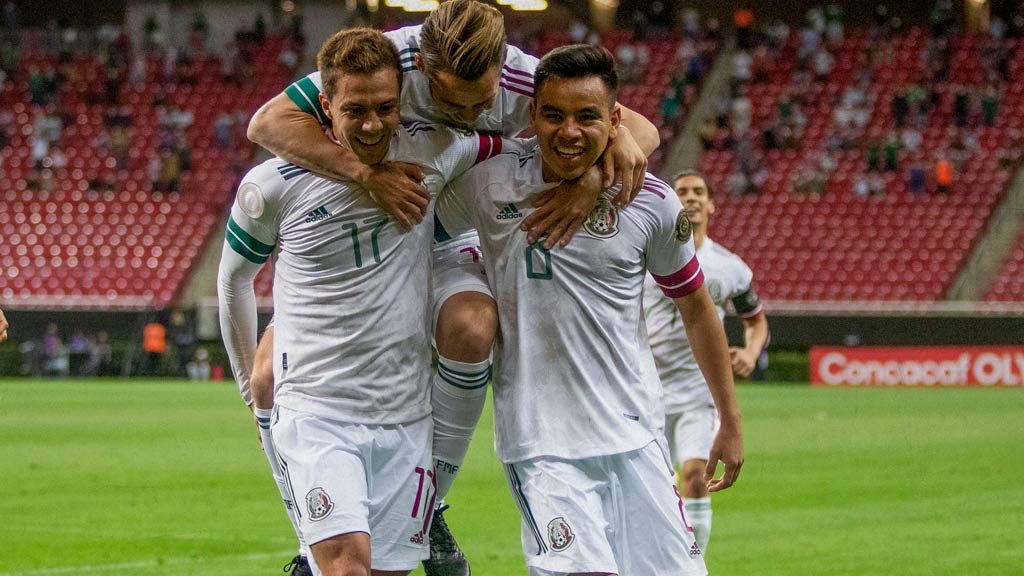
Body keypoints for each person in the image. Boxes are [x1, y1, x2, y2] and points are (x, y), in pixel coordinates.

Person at [244, 2, 662, 573]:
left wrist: (591, 178)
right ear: (422, 67)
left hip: (446, 230)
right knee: (269, 376)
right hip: (374, 233)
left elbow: (635, 127)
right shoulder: (389, 60)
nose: (467, 118)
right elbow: (267, 124)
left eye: (480, 105)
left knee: (472, 327)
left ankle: (430, 503)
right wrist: (367, 173)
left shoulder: (520, 75)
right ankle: (307, 540)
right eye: (450, 104)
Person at [218, 27, 520, 576]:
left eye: (386, 107)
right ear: (325, 105)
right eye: (355, 109)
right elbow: (234, 281)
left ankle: (425, 512)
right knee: (348, 568)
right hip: (317, 409)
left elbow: (526, 149)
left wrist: (619, 144)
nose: (373, 123)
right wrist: (246, 386)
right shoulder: (272, 185)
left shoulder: (436, 152)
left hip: (403, 415)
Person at [435, 44, 744, 575]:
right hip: (542, 446)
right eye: (553, 115)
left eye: (586, 116)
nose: (568, 131)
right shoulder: (489, 183)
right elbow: (412, 237)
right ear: (531, 116)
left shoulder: (650, 202)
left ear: (616, 120)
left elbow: (696, 307)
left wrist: (729, 420)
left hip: (637, 436)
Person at [643, 170, 769, 554]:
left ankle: (693, 561)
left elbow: (756, 321)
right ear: (672, 202)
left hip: (699, 394)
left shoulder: (730, 267)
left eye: (700, 192)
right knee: (650, 484)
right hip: (645, 389)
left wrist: (749, 351)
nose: (692, 198)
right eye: (682, 191)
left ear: (711, 204)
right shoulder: (645, 254)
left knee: (695, 476)